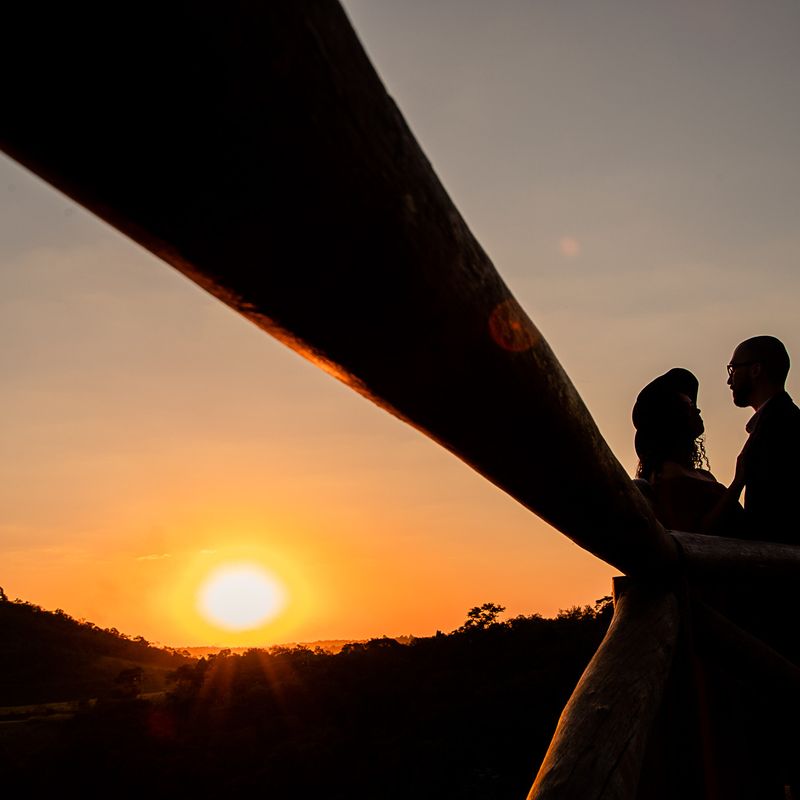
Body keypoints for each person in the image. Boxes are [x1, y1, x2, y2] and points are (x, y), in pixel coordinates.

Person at [632, 367, 744, 535]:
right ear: (670, 418)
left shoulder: (702, 475)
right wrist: (739, 481)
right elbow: (695, 533)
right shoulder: (666, 476)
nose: (697, 410)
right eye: (689, 405)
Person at [727, 335, 800, 544]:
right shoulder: (782, 420)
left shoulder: (778, 428)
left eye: (733, 369)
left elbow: (770, 512)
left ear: (755, 370)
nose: (729, 380)